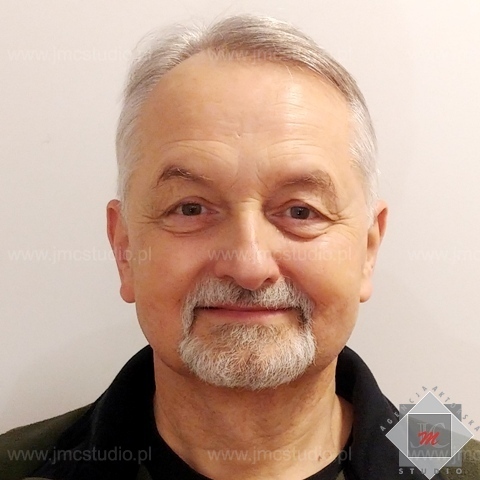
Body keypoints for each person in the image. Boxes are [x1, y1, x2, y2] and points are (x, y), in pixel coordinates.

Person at [0, 14, 478, 480]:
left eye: (300, 212)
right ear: (125, 249)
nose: (249, 266)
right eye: (190, 208)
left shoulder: (460, 468)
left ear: (367, 251)